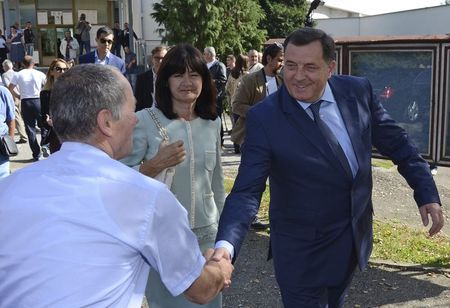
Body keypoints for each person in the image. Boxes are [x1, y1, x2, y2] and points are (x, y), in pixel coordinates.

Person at [213, 27, 444, 307]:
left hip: (351, 242)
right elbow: (246, 192)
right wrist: (225, 247)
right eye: (291, 65)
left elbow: (398, 144)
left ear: (330, 67)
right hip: (301, 255)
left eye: (310, 67)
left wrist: (426, 191)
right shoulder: (265, 118)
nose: (298, 76)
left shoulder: (357, 92)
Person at [0, 64, 233, 307]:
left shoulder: (8, 190)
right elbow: (200, 290)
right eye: (132, 110)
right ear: (106, 122)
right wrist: (220, 266)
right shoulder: (145, 197)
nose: (135, 119)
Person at [121, 43, 226, 308]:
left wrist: (224, 236)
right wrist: (154, 164)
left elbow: (216, 182)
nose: (187, 82)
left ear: (204, 79)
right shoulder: (144, 120)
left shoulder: (212, 122)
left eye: (194, 75)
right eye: (178, 75)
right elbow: (118, 180)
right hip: (162, 239)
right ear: (165, 81)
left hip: (206, 236)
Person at [8, 55, 47, 161]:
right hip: (38, 100)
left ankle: (36, 153)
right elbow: (46, 85)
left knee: (30, 128)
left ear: (22, 64)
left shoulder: (18, 74)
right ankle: (44, 146)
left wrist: (18, 96)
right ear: (33, 63)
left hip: (25, 101)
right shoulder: (40, 74)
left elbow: (10, 87)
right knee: (43, 125)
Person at [40, 58, 69, 155]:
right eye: (59, 69)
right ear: (52, 71)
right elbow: (44, 115)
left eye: (65, 69)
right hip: (56, 135)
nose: (62, 72)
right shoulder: (45, 93)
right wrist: (48, 121)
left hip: (73, 134)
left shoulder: (73, 90)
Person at [225, 54, 249, 154]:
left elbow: (227, 88)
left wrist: (232, 95)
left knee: (236, 125)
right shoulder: (247, 74)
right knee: (244, 125)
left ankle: (236, 146)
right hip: (244, 103)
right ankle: (244, 145)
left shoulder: (232, 73)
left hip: (234, 102)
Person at [204, 46, 227, 145]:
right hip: (206, 96)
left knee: (217, 119)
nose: (203, 56)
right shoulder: (205, 65)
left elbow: (223, 80)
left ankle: (220, 140)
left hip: (216, 97)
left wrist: (212, 81)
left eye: (204, 54)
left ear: (209, 54)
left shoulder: (219, 65)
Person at [134, 45, 168, 111]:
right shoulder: (142, 78)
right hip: (147, 115)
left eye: (163, 58)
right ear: (152, 59)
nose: (160, 61)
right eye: (157, 58)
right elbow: (138, 102)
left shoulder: (171, 78)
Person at [2, 59, 27, 143]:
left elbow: (8, 86)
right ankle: (25, 133)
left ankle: (23, 136)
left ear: (5, 67)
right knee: (21, 116)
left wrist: (16, 95)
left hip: (13, 97)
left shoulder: (5, 75)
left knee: (16, 117)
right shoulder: (17, 73)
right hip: (21, 96)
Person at [0, 84, 15, 178]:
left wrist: (10, 142)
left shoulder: (3, 92)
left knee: (3, 178)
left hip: (0, 144)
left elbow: (11, 119)